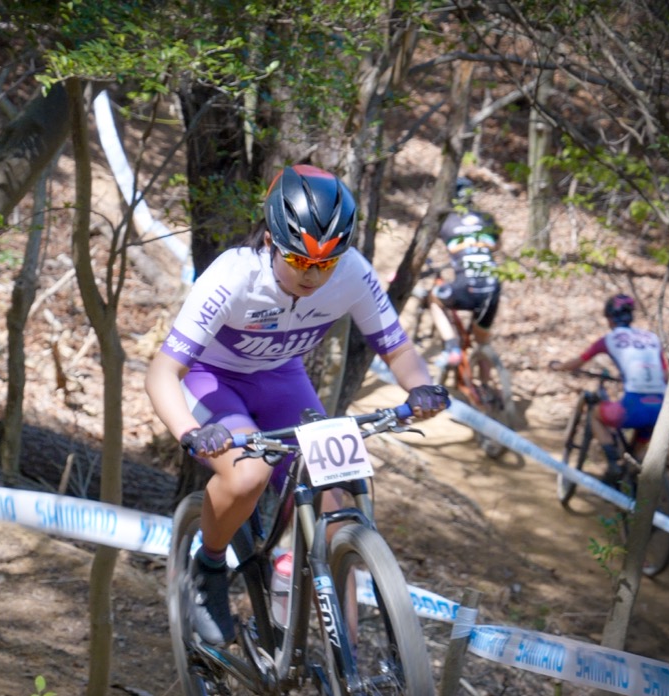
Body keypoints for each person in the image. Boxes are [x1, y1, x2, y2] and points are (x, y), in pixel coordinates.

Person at [145, 164, 450, 646]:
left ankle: (343, 660)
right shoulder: (233, 275)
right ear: (270, 240)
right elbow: (163, 371)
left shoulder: (351, 273)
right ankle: (207, 566)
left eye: (325, 264)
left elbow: (398, 349)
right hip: (211, 378)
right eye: (302, 262)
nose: (314, 275)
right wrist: (190, 432)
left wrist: (421, 389)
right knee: (248, 474)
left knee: (334, 503)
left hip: (282, 378)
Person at [549, 293, 669, 485]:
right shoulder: (652, 338)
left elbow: (578, 362)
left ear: (611, 317)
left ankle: (613, 463)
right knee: (638, 449)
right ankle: (631, 483)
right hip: (660, 407)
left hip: (633, 407)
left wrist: (558, 367)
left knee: (595, 415)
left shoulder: (609, 339)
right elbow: (666, 376)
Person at [429, 176, 503, 367]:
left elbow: (427, 246)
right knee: (483, 341)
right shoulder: (487, 218)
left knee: (434, 299)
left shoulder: (447, 221)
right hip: (492, 287)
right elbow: (496, 247)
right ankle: (486, 387)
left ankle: (451, 345)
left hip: (465, 286)